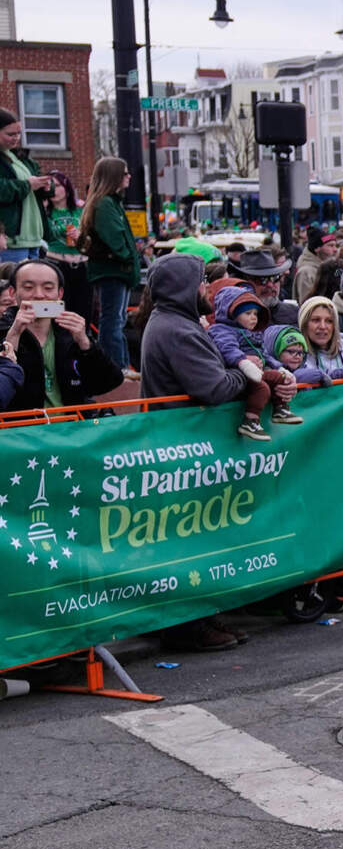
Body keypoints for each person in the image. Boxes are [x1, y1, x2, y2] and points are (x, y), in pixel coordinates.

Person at [139, 252, 296, 652]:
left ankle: (198, 617)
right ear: (181, 288)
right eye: (200, 283)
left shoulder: (179, 323)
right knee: (187, 541)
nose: (206, 290)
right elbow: (212, 387)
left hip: (186, 443)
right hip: (183, 445)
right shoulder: (178, 330)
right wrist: (250, 377)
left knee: (195, 537)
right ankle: (186, 625)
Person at [0, 259, 124, 410]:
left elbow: (108, 382)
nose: (39, 295)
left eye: (48, 288)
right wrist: (12, 336)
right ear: (13, 292)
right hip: (20, 429)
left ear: (60, 293)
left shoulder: (70, 331)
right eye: (28, 287)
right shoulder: (5, 329)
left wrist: (86, 345)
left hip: (70, 427)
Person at [208, 285, 300, 439]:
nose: (253, 318)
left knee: (280, 378)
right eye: (248, 313)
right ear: (232, 314)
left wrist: (280, 368)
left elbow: (264, 354)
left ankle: (280, 409)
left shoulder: (253, 334)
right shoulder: (222, 330)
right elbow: (228, 349)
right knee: (262, 389)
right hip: (242, 374)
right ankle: (250, 421)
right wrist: (243, 362)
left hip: (260, 371)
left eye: (256, 314)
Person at [78, 157, 139, 375]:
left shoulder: (108, 202)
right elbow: (115, 238)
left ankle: (119, 366)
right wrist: (127, 258)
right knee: (113, 321)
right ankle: (116, 367)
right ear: (113, 176)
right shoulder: (105, 204)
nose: (129, 176)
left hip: (114, 269)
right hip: (113, 270)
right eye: (124, 173)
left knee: (115, 320)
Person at [0, 108, 50, 263]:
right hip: (10, 243)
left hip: (33, 239)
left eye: (19, 133)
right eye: (10, 134)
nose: (16, 138)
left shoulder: (19, 156)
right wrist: (27, 185)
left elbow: (38, 176)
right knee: (12, 286)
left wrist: (47, 186)